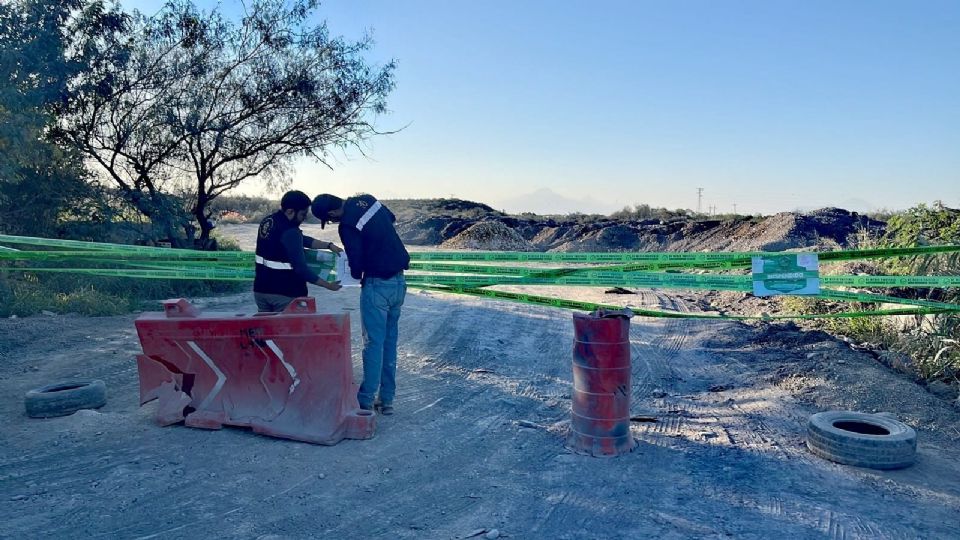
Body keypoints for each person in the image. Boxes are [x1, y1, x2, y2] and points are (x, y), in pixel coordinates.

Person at [311, 193, 410, 415]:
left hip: (376, 285)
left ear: (333, 213)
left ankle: (365, 400)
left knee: (373, 344)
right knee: (389, 342)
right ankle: (387, 400)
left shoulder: (346, 225)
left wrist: (351, 274)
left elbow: (355, 263)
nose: (334, 222)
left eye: (331, 219)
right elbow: (391, 217)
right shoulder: (368, 199)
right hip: (399, 282)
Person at [253, 190, 342, 312]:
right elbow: (301, 269)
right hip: (285, 295)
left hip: (260, 291)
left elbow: (301, 239)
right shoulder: (290, 231)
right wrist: (328, 285)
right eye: (303, 214)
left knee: (268, 329)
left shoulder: (268, 221)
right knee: (292, 330)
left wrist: (328, 245)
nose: (304, 219)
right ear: (290, 211)